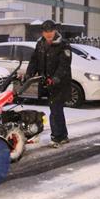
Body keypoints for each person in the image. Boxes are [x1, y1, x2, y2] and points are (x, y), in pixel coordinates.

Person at [25, 20, 72, 148]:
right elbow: (34, 60)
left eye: (50, 31)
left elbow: (64, 65)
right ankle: (63, 136)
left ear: (55, 30)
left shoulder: (63, 44)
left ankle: (56, 137)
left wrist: (55, 78)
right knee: (57, 109)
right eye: (46, 32)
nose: (48, 34)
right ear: (43, 32)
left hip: (60, 83)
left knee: (55, 109)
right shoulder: (40, 44)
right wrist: (29, 74)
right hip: (46, 82)